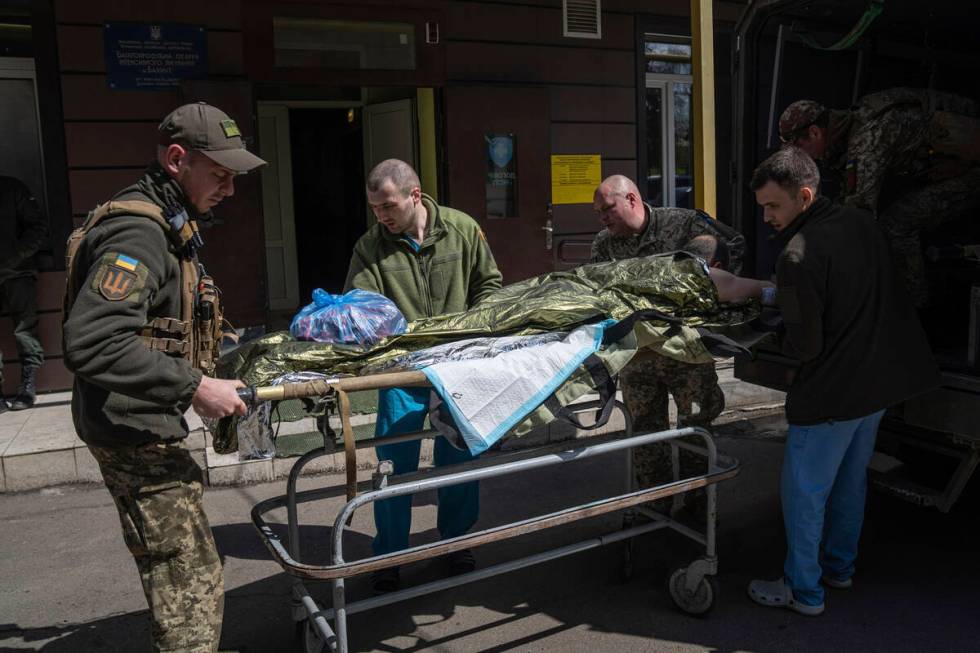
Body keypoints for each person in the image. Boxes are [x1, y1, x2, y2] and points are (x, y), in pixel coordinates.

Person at [62, 102, 264, 652]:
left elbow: (162, 323)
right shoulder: (138, 233)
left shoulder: (166, 220)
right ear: (177, 159)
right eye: (220, 175)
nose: (230, 189)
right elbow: (93, 340)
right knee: (188, 583)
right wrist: (195, 387)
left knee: (185, 567)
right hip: (131, 433)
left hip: (144, 425)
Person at [746, 147, 939, 616]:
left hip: (831, 394)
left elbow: (805, 346)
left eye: (773, 206)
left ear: (805, 195)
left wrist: (759, 331)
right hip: (877, 386)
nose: (767, 217)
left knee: (804, 493)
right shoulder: (861, 223)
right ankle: (839, 568)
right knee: (851, 483)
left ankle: (803, 590)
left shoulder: (795, 256)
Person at [344, 158, 502, 593]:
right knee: (394, 464)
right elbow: (358, 307)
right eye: (374, 208)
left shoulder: (463, 229)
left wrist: (475, 335)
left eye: (388, 206)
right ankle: (391, 557)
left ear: (415, 195)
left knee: (458, 458)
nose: (381, 216)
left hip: (458, 369)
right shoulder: (370, 247)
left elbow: (489, 285)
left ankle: (455, 543)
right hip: (401, 374)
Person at [589, 175, 746, 521]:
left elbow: (734, 244)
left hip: (686, 355)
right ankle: (653, 508)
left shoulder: (683, 222)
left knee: (696, 430)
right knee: (645, 435)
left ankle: (695, 508)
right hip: (638, 358)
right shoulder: (604, 244)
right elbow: (598, 291)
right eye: (598, 213)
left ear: (631, 199)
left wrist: (709, 298)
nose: (603, 219)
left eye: (607, 209)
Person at [778, 88, 980, 305]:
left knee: (896, 225)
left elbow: (857, 218)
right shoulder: (853, 125)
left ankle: (911, 306)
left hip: (972, 168)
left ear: (816, 132)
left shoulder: (868, 139)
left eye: (800, 149)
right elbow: (847, 200)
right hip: (952, 163)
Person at [0, 175, 48, 412]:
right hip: (17, 268)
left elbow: (37, 226)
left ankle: (28, 387)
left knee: (25, 331)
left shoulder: (12, 188)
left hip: (18, 272)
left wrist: (17, 255)